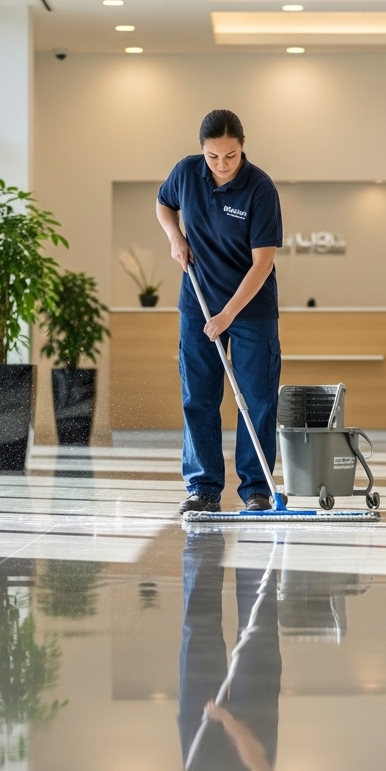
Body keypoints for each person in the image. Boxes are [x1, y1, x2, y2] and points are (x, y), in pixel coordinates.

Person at [156, 110, 283, 514]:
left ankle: (257, 490)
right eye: (213, 156)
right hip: (198, 304)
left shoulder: (260, 189)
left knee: (257, 399)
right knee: (199, 395)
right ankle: (203, 488)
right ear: (202, 150)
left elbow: (262, 263)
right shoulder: (186, 173)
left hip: (250, 310)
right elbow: (163, 204)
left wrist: (228, 315)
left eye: (230, 155)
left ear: (243, 147)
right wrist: (175, 237)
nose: (222, 165)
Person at [174, 530, 281, 771]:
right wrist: (226, 719)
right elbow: (259, 766)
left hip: (202, 751)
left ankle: (202, 539)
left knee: (198, 634)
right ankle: (256, 537)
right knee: (258, 633)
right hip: (254, 726)